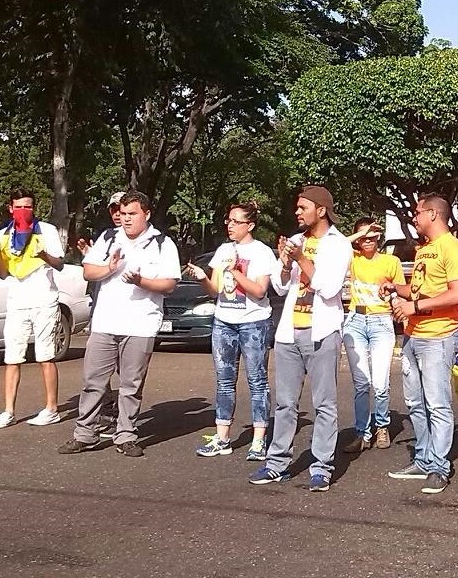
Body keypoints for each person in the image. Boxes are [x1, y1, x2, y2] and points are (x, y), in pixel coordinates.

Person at [57, 191, 181, 457]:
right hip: (105, 322)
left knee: (131, 384)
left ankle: (126, 435)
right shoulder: (108, 238)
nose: (125, 219)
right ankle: (85, 434)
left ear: (146, 214)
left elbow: (170, 284)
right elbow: (89, 271)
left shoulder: (162, 243)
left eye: (132, 214)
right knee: (93, 381)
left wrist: (141, 282)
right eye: (122, 214)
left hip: (141, 324)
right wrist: (109, 268)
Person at [248, 186, 351, 492]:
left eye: (303, 207)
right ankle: (277, 462)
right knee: (284, 403)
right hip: (289, 332)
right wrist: (283, 262)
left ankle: (321, 466)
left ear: (321, 210)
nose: (297, 212)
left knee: (324, 404)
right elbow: (280, 288)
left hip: (322, 331)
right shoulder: (296, 241)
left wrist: (302, 258)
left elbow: (329, 288)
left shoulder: (339, 244)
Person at [381, 193, 458, 495]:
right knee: (414, 402)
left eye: (418, 213)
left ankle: (439, 466)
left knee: (437, 403)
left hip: (439, 336)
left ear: (433, 214)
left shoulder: (453, 248)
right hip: (413, 335)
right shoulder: (424, 250)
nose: (414, 218)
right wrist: (397, 289)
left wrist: (414, 307)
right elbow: (419, 288)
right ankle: (423, 457)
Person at [186, 202, 277, 461]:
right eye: (228, 220)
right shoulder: (224, 249)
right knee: (224, 380)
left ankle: (259, 440)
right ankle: (222, 436)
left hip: (254, 322)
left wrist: (236, 270)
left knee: (257, 381)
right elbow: (215, 290)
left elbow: (260, 291)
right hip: (223, 321)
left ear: (250, 225)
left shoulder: (261, 252)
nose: (230, 225)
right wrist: (203, 277)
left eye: (236, 221)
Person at [0, 188, 66, 428]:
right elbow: (4, 273)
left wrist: (43, 255)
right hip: (17, 303)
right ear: (10, 209)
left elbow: (59, 264)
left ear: (34, 208)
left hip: (44, 301)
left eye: (27, 206)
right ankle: (8, 411)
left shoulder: (46, 230)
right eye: (18, 207)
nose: (23, 211)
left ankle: (52, 408)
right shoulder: (4, 236)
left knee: (45, 356)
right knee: (12, 358)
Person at [342, 217, 404, 453]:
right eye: (363, 236)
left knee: (380, 382)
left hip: (381, 321)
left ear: (379, 237)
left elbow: (398, 292)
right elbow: (335, 248)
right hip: (356, 320)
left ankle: (382, 426)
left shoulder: (391, 261)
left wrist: (400, 311)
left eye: (372, 235)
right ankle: (362, 432)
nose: (367, 240)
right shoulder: (352, 259)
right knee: (361, 383)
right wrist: (359, 234)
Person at [77, 190, 125, 438]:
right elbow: (91, 271)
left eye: (124, 209)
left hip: (130, 315)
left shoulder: (146, 239)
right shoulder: (105, 237)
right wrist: (90, 256)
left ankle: (123, 419)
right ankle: (104, 412)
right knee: (97, 368)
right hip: (103, 310)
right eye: (115, 210)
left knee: (124, 368)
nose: (119, 214)